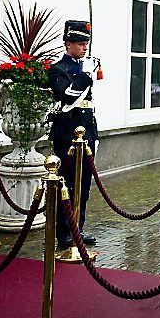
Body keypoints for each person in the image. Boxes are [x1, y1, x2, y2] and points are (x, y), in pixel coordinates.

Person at [48, 20, 99, 250]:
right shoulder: (58, 69)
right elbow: (67, 97)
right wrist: (85, 76)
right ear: (68, 44)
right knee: (67, 184)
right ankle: (64, 233)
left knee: (84, 185)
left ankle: (78, 226)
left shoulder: (84, 67)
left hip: (86, 133)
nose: (84, 47)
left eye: (86, 43)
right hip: (67, 135)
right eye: (79, 43)